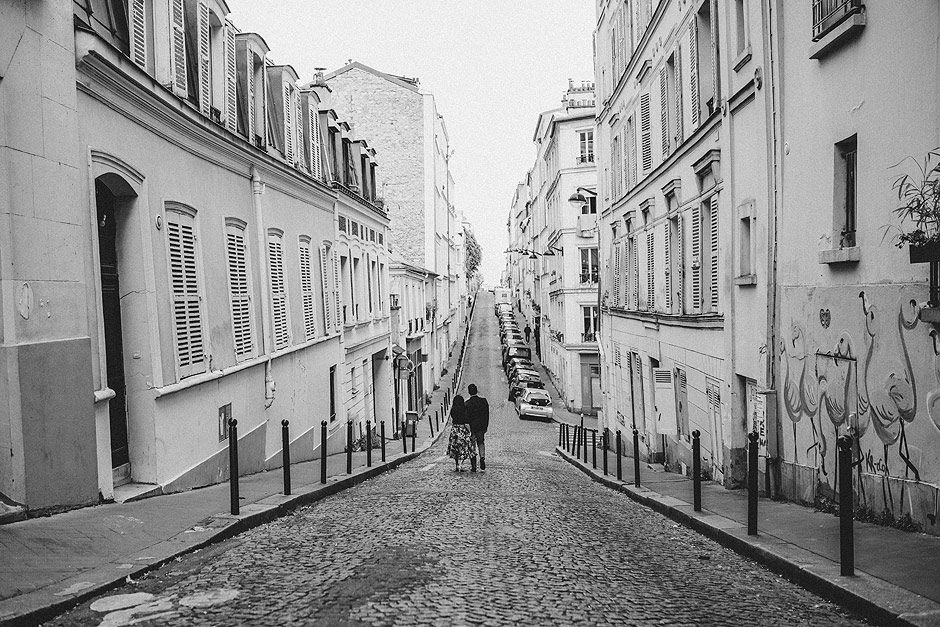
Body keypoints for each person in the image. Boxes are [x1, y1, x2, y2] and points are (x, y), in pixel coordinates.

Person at [464, 383, 490, 471]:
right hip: (481, 427)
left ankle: (474, 465)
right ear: (476, 391)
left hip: (472, 428)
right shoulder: (483, 401)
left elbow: (466, 418)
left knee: (472, 445)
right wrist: (485, 426)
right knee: (481, 442)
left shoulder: (467, 404)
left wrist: (467, 429)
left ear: (469, 392)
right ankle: (482, 457)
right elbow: (486, 415)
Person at [447, 394, 476, 471]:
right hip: (462, 430)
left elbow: (453, 418)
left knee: (455, 449)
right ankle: (461, 464)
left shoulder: (453, 409)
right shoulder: (464, 409)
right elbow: (466, 421)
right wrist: (469, 431)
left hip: (454, 429)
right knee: (463, 448)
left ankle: (457, 464)